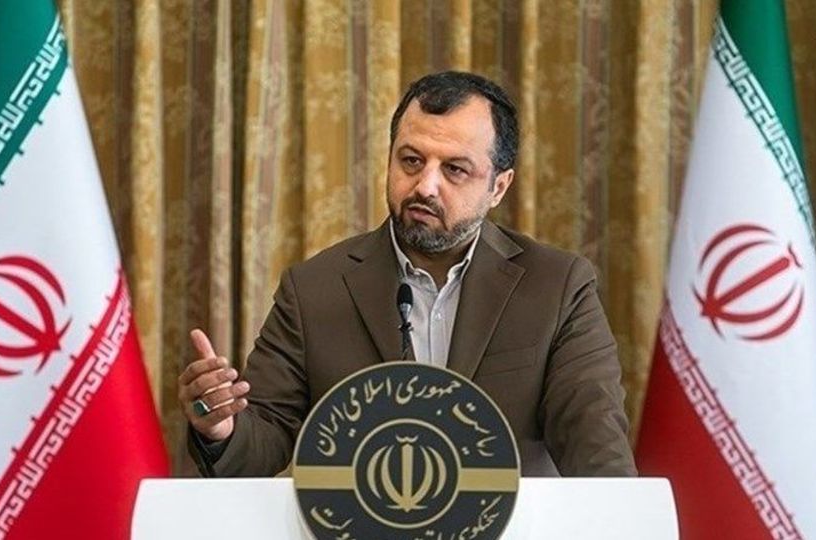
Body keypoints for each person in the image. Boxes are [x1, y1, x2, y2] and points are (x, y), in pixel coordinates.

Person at [178, 71, 637, 478]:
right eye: (411, 161)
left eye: (454, 169)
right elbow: (263, 438)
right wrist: (221, 429)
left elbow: (596, 446)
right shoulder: (314, 289)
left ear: (498, 186)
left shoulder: (557, 287)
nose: (425, 186)